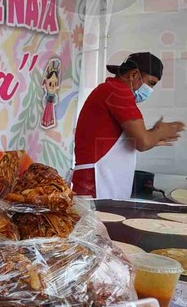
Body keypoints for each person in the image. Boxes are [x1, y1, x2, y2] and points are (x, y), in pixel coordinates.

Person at [72, 52, 184, 199]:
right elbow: (142, 142)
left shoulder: (109, 90)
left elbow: (122, 137)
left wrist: (154, 135)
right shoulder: (117, 91)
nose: (150, 90)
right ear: (133, 75)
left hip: (99, 181)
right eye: (151, 83)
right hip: (96, 183)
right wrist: (159, 132)